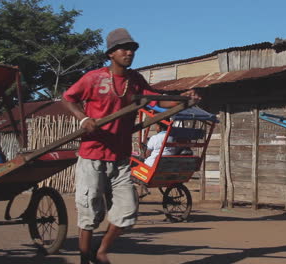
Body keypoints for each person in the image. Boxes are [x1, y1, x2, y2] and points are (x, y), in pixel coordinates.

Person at [62, 28, 199, 264]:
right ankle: (85, 258)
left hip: (120, 157)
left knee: (128, 209)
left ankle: (101, 251)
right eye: (123, 49)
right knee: (89, 212)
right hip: (92, 155)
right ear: (111, 54)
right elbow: (68, 98)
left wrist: (183, 99)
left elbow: (156, 100)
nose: (129, 53)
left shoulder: (135, 81)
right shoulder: (94, 78)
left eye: (132, 49)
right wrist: (83, 119)